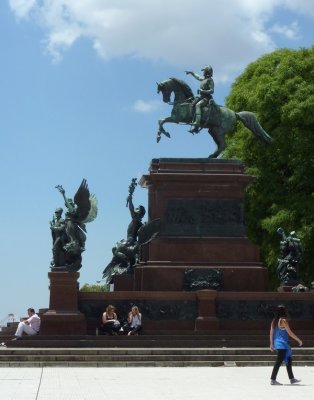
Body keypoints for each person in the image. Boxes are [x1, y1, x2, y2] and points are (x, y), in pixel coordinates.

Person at [269, 304, 303, 385]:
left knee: (288, 360)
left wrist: (271, 344)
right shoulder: (283, 321)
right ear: (284, 312)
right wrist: (299, 340)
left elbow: (271, 333)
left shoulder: (274, 321)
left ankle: (292, 379)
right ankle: (273, 380)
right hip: (282, 344)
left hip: (278, 344)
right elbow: (290, 333)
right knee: (279, 361)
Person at [185, 65, 215, 133]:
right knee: (192, 103)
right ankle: (193, 120)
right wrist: (192, 73)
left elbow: (212, 91)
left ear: (207, 71)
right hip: (201, 96)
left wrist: (203, 91)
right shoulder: (204, 79)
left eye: (204, 71)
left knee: (198, 105)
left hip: (206, 98)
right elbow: (198, 77)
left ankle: (197, 122)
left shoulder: (210, 80)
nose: (203, 72)